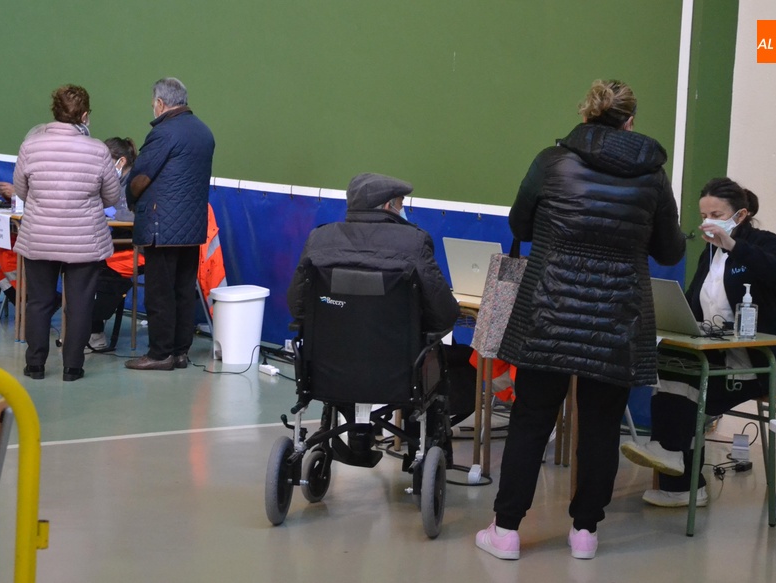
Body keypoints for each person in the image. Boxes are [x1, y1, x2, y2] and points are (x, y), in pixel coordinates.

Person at [475, 79, 685, 560]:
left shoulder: (552, 162)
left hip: (546, 309)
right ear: (630, 122)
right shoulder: (652, 175)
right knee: (601, 425)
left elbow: (519, 226)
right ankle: (585, 532)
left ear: (587, 115)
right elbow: (669, 250)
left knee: (530, 420)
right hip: (618, 317)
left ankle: (506, 531)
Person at [621, 177, 776, 506]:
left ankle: (681, 482)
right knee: (673, 366)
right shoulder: (709, 254)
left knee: (689, 388)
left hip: (766, 360)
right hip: (720, 352)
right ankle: (677, 474)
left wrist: (733, 245)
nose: (708, 222)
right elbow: (694, 302)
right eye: (703, 215)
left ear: (739, 215)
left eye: (716, 213)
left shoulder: (763, 243)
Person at [12, 84, 120, 382]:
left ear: (54, 112)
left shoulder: (31, 145)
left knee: (39, 302)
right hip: (84, 241)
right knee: (81, 303)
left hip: (39, 236)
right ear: (85, 116)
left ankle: (35, 365)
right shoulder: (98, 150)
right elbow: (111, 197)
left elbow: (21, 189)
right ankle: (73, 367)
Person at [287, 172, 459, 333]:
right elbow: (444, 315)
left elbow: (297, 307)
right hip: (395, 359)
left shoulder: (319, 239)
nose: (402, 211)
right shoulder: (414, 243)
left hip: (326, 360)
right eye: (401, 205)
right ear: (387, 206)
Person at [124, 78, 215, 371]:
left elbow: (140, 177)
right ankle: (179, 352)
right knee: (183, 291)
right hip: (191, 228)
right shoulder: (204, 132)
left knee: (160, 292)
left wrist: (130, 198)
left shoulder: (163, 133)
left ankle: (160, 353)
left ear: (160, 103)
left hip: (161, 227)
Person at [89, 137, 144, 350]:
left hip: (138, 248)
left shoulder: (137, 181)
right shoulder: (112, 182)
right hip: (115, 244)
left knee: (101, 271)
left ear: (120, 161)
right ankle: (84, 327)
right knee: (81, 264)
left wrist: (109, 212)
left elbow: (134, 216)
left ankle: (92, 331)